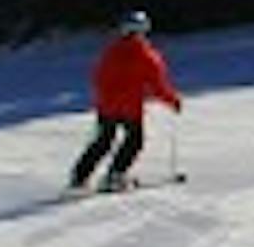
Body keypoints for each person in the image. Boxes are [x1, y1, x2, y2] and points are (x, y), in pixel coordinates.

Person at [69, 10, 182, 192]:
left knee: (103, 140)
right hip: (130, 107)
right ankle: (115, 175)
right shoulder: (146, 56)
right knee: (134, 140)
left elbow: (98, 77)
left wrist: (103, 98)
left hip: (108, 106)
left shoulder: (111, 52)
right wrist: (172, 100)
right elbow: (157, 85)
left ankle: (80, 176)